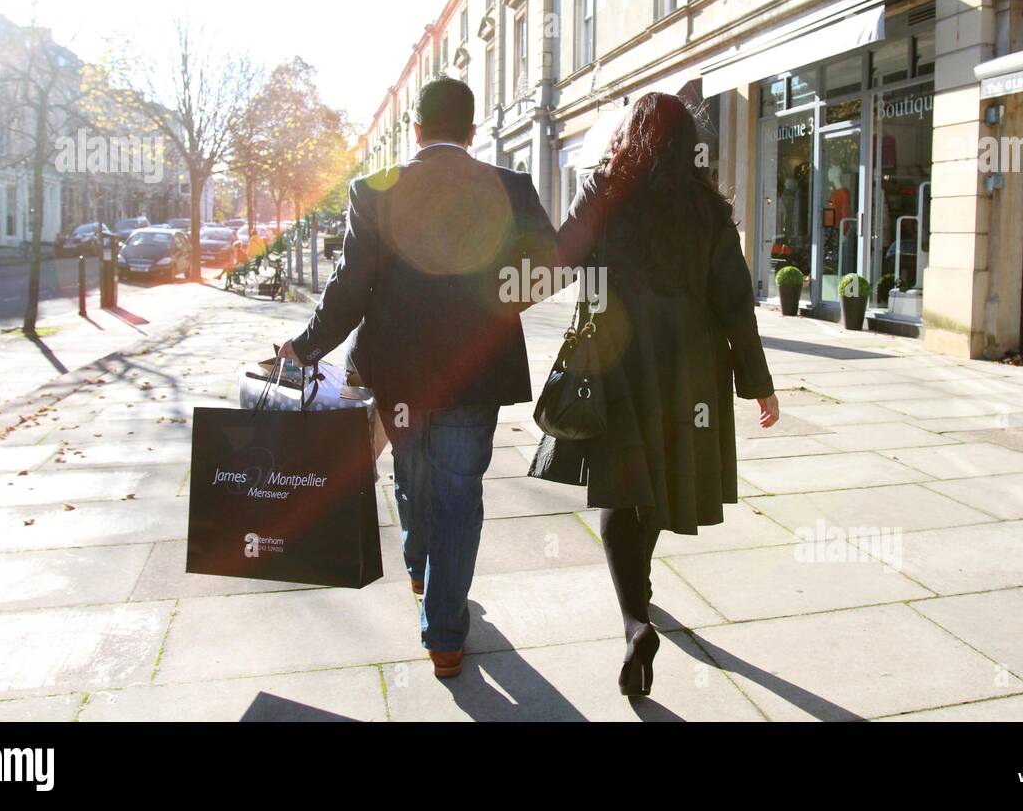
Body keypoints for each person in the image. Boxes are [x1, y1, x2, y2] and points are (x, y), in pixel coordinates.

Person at [279, 75, 555, 679]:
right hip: (476, 372)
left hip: (400, 373)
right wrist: (497, 306)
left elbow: (350, 288)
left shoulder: (376, 190)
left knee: (412, 477)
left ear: (417, 130)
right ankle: (446, 634)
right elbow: (550, 270)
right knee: (460, 494)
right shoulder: (509, 186)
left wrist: (305, 347)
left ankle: (418, 566)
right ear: (473, 131)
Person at [529, 92, 780, 697]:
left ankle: (635, 621)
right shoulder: (708, 208)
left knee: (620, 487)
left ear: (631, 134)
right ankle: (639, 598)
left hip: (616, 363)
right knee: (663, 481)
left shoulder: (603, 192)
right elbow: (733, 302)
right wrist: (758, 384)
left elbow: (559, 261)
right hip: (690, 373)